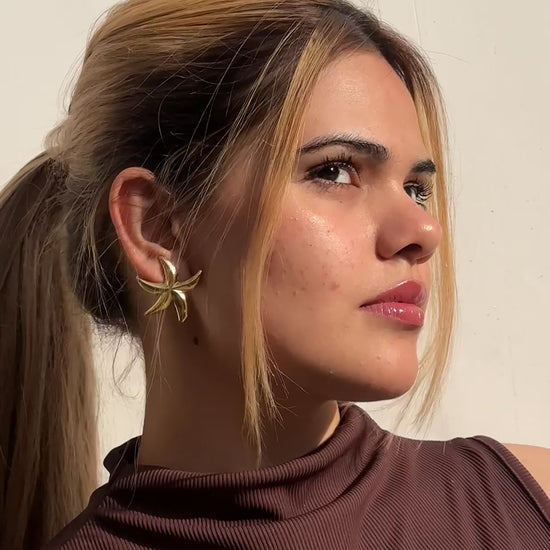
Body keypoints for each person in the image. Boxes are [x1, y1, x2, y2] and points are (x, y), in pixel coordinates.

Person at [0, 0, 548, 548]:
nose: (424, 230)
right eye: (335, 171)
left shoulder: (525, 506)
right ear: (159, 228)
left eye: (415, 189)